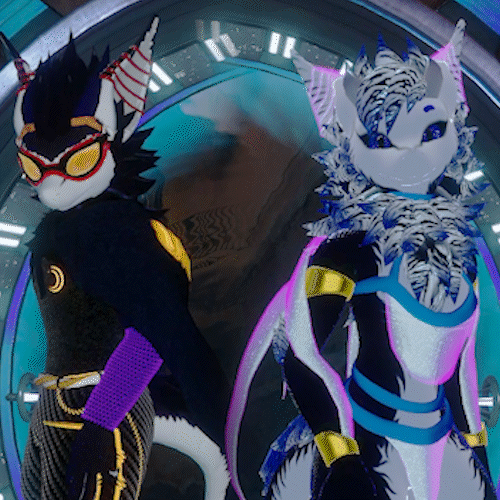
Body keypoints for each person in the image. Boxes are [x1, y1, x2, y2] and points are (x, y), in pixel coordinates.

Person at [227, 20, 497, 500]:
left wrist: (476, 448)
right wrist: (342, 455)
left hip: (442, 446)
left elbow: (462, 365)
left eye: (431, 130)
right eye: (382, 140)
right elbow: (301, 354)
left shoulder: (462, 251)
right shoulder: (344, 248)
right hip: (363, 441)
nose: (411, 153)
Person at [9, 18, 230, 500]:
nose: (53, 181)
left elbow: (153, 335)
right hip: (57, 401)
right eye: (34, 165)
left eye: (77, 161)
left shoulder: (121, 230)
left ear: (112, 142)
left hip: (101, 406)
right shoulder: (64, 228)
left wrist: (101, 420)